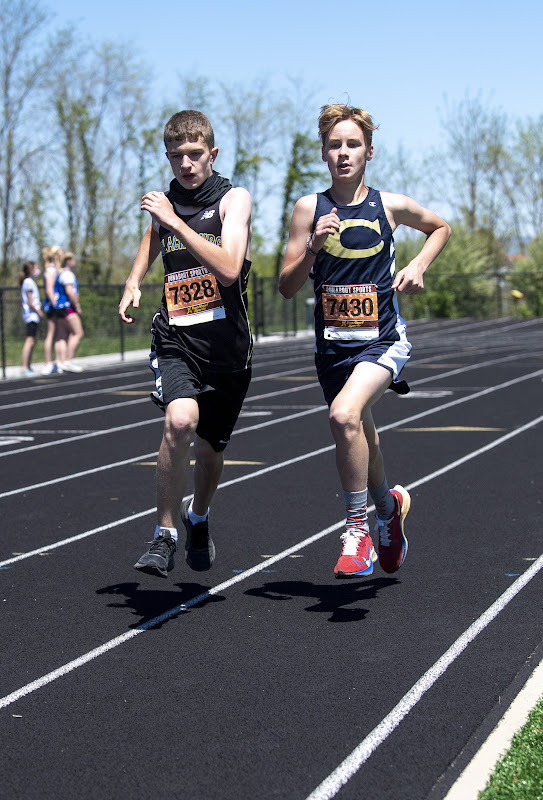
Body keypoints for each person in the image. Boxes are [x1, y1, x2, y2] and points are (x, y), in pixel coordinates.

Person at [279, 103, 451, 578]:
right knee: (362, 432)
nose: (343, 153)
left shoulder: (389, 206)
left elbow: (440, 227)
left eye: (352, 144)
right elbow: (287, 286)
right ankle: (388, 509)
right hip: (333, 347)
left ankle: (357, 532)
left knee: (343, 415)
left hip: (383, 340)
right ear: (323, 154)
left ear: (369, 152)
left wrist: (416, 265)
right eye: (334, 145)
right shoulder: (308, 209)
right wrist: (313, 245)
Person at [119, 109, 253, 579]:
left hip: (228, 352)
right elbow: (151, 238)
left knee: (211, 451)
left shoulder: (234, 201)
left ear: (212, 154)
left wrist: (176, 223)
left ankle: (199, 517)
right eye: (176, 156)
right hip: (176, 338)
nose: (186, 164)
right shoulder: (167, 204)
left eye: (195, 155)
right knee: (180, 421)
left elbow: (230, 268)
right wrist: (134, 280)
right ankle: (164, 534)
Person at [57, 251, 84, 372]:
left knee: (64, 335)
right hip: (67, 307)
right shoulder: (68, 275)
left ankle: (62, 362)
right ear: (69, 261)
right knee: (78, 333)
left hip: (60, 308)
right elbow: (69, 292)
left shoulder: (62, 274)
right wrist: (76, 305)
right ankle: (68, 361)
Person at [41, 245, 66, 374]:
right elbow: (49, 289)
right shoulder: (50, 270)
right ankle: (47, 363)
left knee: (58, 334)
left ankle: (58, 362)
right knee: (51, 334)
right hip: (52, 305)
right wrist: (55, 304)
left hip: (55, 304)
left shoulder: (54, 269)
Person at [19, 261, 44, 376]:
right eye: (36, 268)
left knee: (32, 341)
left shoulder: (29, 282)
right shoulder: (28, 282)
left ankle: (28, 366)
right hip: (31, 316)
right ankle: (24, 367)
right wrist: (38, 311)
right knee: (29, 341)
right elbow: (30, 302)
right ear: (30, 270)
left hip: (32, 316)